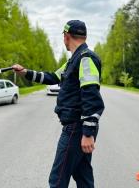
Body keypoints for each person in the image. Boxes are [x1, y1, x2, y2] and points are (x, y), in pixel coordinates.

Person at [12, 20, 105, 188]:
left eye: (64, 36)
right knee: (83, 176)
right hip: (77, 128)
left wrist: (88, 132)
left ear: (66, 36)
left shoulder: (85, 59)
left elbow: (91, 96)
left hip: (76, 128)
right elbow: (51, 77)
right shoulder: (73, 61)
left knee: (57, 179)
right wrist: (25, 72)